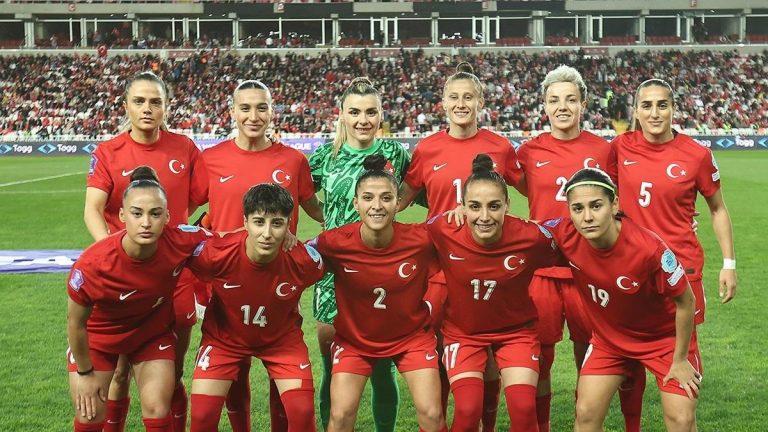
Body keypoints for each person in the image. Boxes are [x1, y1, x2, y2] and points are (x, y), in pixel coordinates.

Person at [515, 65, 643, 432]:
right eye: (554, 100)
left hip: (591, 271)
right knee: (540, 359)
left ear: (583, 104)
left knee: (591, 355)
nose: (562, 107)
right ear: (544, 106)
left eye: (570, 99)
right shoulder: (528, 151)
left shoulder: (603, 150)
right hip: (542, 271)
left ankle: (588, 422)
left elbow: (623, 200)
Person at [398, 62, 524, 430]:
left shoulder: (499, 147)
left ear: (481, 102)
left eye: (469, 97)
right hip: (438, 267)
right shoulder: (428, 148)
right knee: (437, 349)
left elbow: (535, 188)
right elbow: (401, 199)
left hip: (488, 264)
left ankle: (485, 424)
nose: (461, 104)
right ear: (443, 103)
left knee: (487, 352)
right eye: (454, 97)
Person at [83, 71, 208, 432]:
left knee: (173, 372)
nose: (147, 108)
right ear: (126, 106)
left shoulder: (185, 148)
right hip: (125, 278)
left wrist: (183, 233)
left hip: (175, 277)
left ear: (166, 107)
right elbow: (93, 209)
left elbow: (205, 198)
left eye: (155, 101)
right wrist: (111, 256)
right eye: (139, 101)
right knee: (119, 371)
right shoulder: (109, 152)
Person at [201, 79, 323, 432]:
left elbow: (317, 210)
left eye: (261, 108)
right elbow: (181, 210)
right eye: (245, 108)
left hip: (279, 280)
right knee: (233, 370)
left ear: (272, 112)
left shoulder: (293, 160)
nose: (253, 116)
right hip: (227, 280)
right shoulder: (210, 160)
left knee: (282, 369)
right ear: (232, 112)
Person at [545, 168, 701, 431]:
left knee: (682, 418)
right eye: (577, 208)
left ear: (614, 204)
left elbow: (686, 301)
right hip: (610, 341)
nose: (587, 217)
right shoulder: (565, 234)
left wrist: (680, 359)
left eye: (596, 206)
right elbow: (523, 230)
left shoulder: (649, 249)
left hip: (664, 341)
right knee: (585, 413)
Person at [67, 167, 212, 432]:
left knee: (158, 409)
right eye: (137, 213)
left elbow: (229, 240)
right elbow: (75, 323)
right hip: (99, 339)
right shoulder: (92, 265)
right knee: (90, 415)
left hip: (151, 335)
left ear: (167, 216)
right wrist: (85, 373)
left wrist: (282, 237)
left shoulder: (181, 240)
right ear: (122, 215)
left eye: (155, 214)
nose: (146, 222)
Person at [310, 155, 445, 432]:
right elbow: (297, 258)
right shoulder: (333, 243)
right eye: (368, 198)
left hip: (412, 338)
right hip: (354, 341)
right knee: (340, 415)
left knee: (432, 414)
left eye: (386, 198)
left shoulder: (422, 239)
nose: (377, 206)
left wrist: (463, 212)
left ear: (398, 202)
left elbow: (460, 237)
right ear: (356, 203)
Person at [428, 154, 561, 432]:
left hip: (517, 332)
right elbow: (403, 240)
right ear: (462, 206)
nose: (484, 217)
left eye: (494, 206)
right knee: (467, 411)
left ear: (507, 206)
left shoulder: (531, 236)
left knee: (524, 409)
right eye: (475, 206)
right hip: (463, 334)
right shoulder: (444, 229)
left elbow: (569, 237)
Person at [308, 77, 411, 432]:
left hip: (381, 271)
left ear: (381, 114)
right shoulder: (325, 156)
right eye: (354, 112)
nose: (363, 120)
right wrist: (328, 219)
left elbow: (417, 189)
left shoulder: (395, 153)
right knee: (331, 364)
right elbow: (304, 195)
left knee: (382, 365)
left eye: (370, 112)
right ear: (341, 114)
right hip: (332, 273)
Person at [186, 184, 325, 432]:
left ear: (289, 224)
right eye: (259, 222)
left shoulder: (304, 261)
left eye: (277, 223)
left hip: (282, 342)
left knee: (303, 414)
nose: (267, 233)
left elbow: (339, 260)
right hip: (223, 340)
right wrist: (199, 299)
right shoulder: (217, 253)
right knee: (202, 417)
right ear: (245, 222)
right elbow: (178, 246)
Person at [606, 78, 737, 325]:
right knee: (630, 342)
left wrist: (729, 264)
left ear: (673, 109)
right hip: (630, 263)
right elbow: (603, 198)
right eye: (647, 106)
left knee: (683, 345)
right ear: (636, 111)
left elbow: (718, 209)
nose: (654, 113)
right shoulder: (619, 148)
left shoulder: (697, 155)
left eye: (662, 105)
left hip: (681, 263)